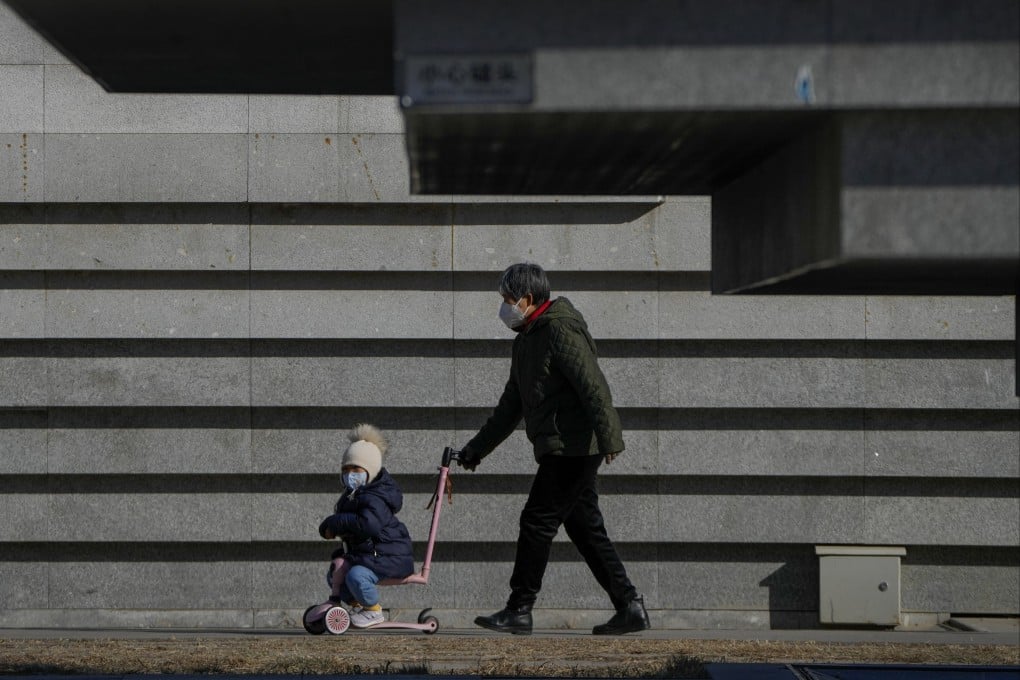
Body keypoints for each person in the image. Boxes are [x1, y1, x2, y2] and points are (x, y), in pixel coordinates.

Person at [457, 262, 650, 636]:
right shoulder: (527, 339)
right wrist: (474, 451)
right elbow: (509, 407)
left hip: (574, 447)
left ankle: (519, 608)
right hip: (561, 447)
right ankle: (630, 606)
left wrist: (611, 438)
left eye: (508, 299)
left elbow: (593, 385)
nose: (504, 306)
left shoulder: (560, 329)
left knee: (537, 521)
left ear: (528, 299)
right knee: (586, 529)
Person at [318, 423, 414, 628]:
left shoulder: (377, 497)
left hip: (388, 555)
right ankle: (358, 604)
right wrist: (331, 528)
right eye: (345, 469)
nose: (350, 474)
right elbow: (347, 522)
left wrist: (334, 522)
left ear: (370, 470)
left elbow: (368, 525)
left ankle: (373, 610)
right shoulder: (353, 494)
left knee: (356, 575)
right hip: (368, 554)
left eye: (356, 469)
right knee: (336, 572)